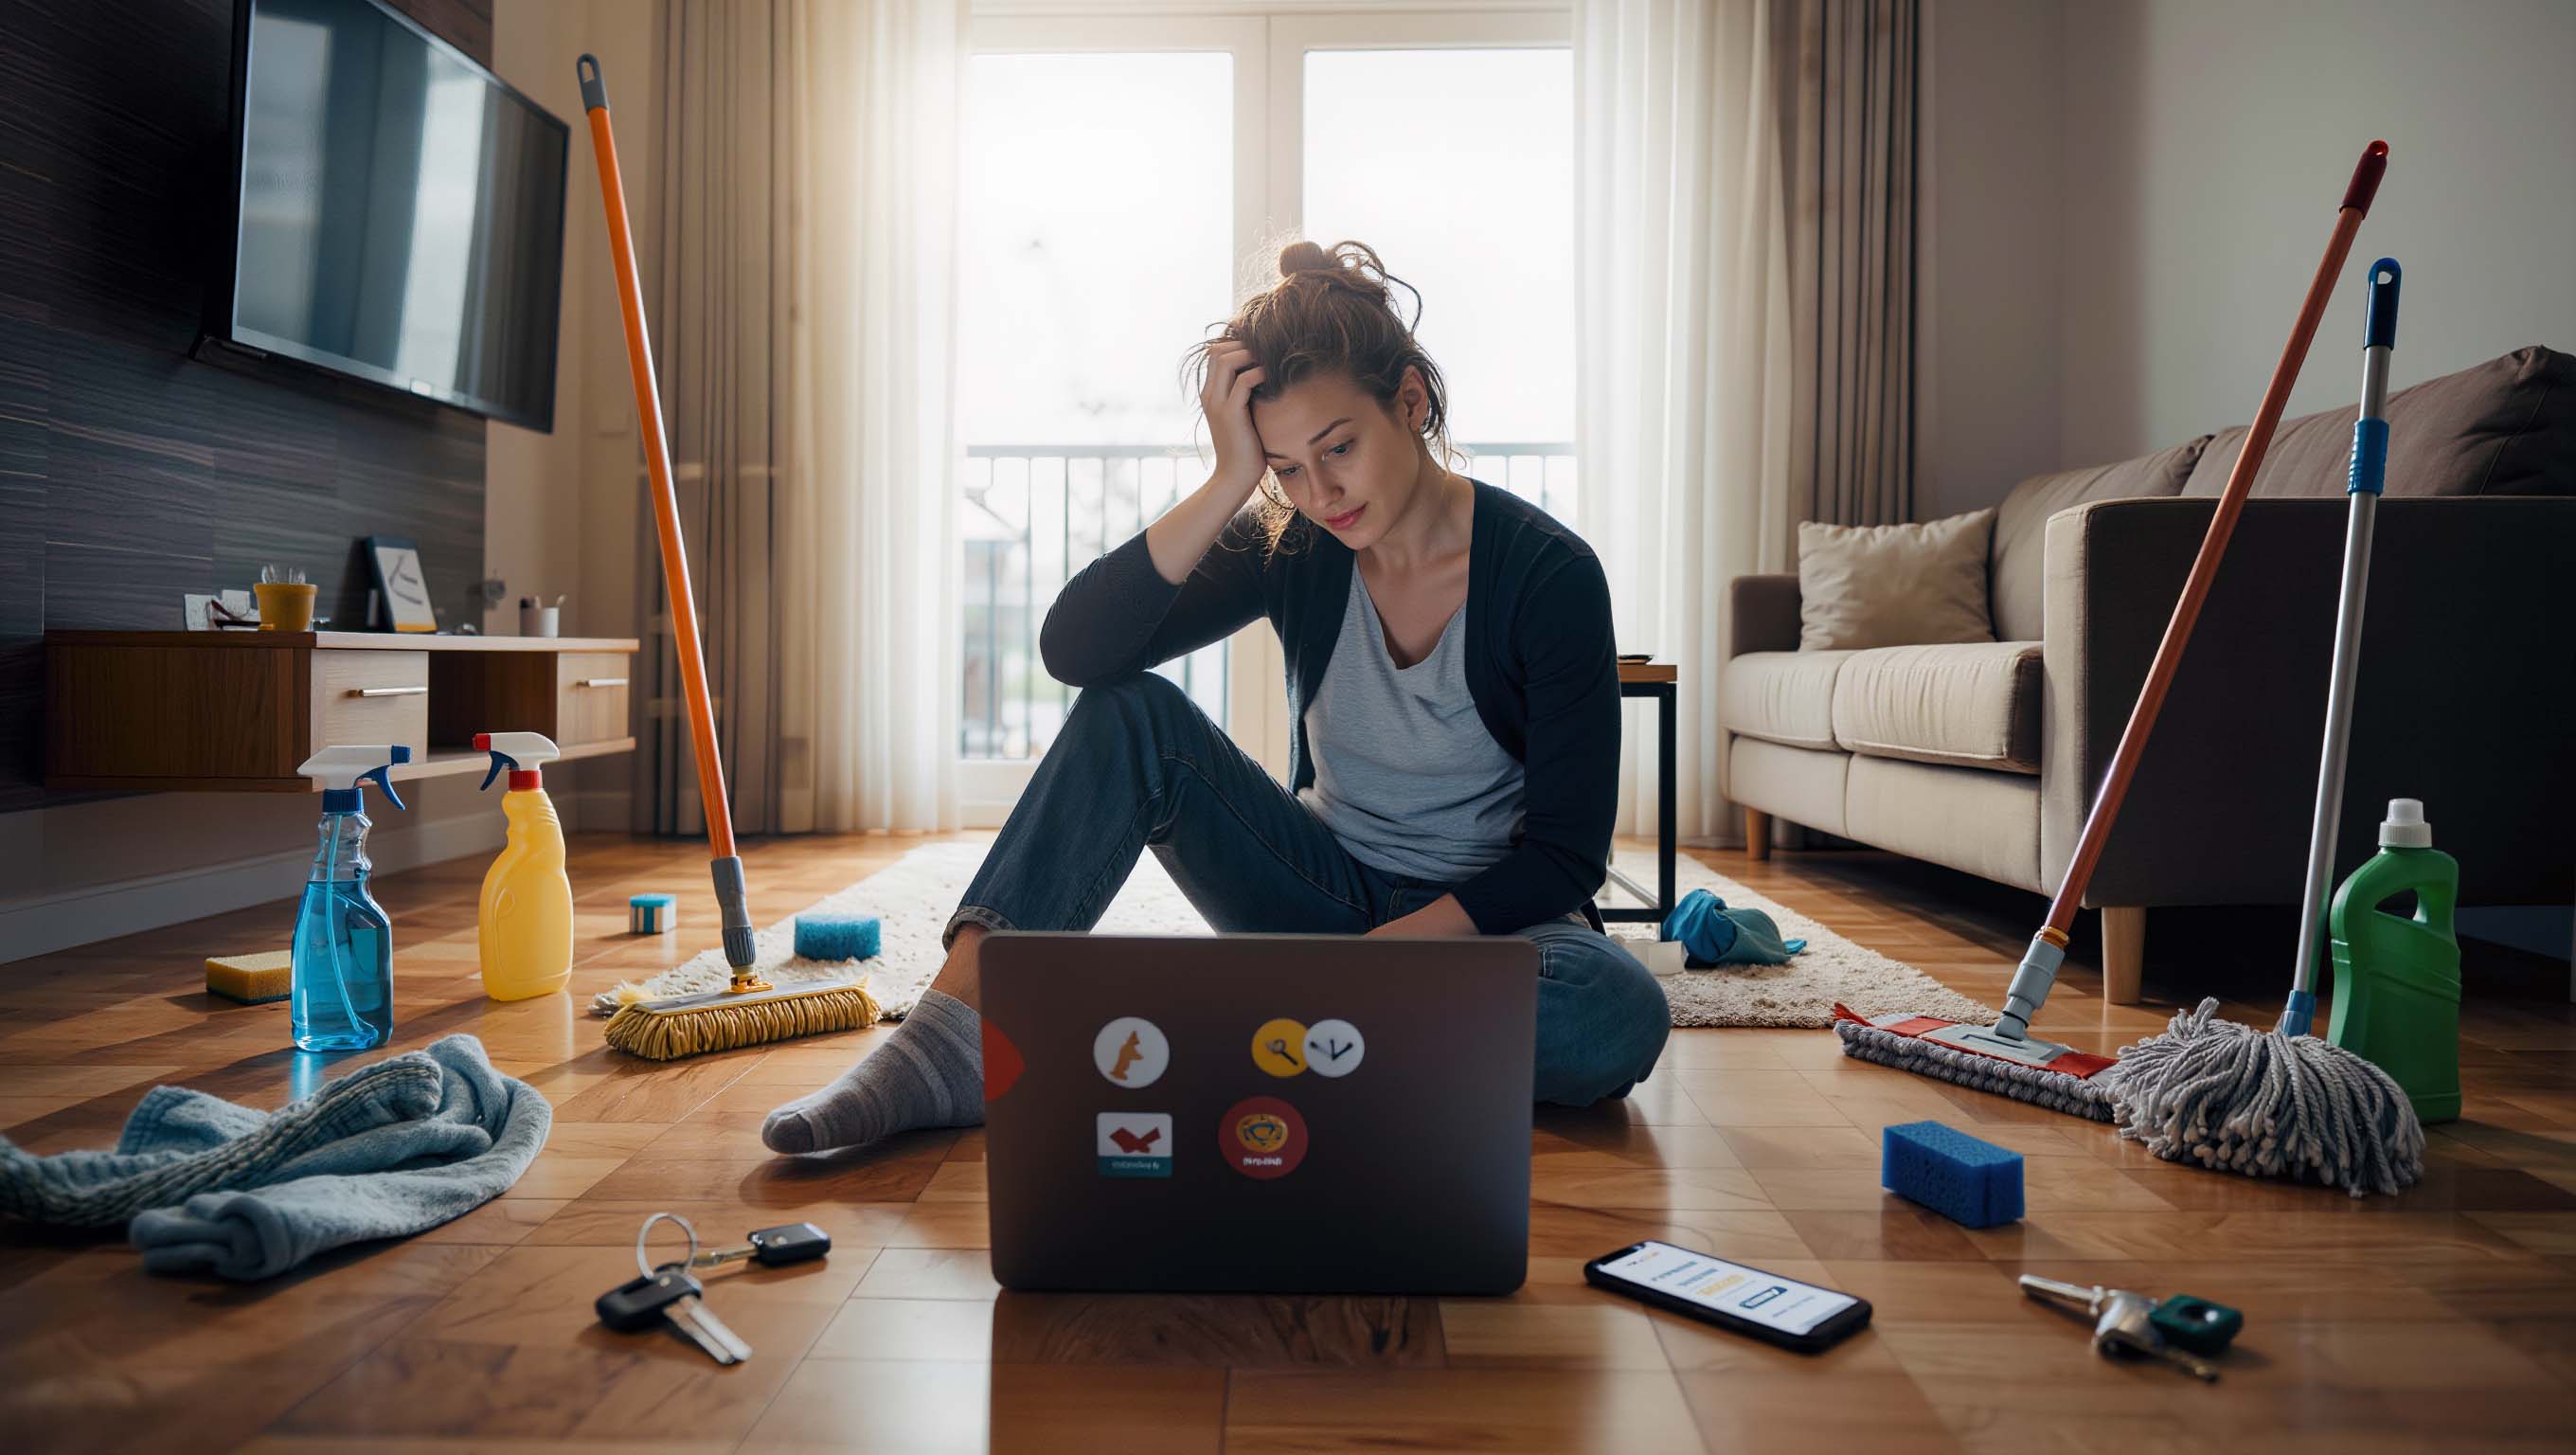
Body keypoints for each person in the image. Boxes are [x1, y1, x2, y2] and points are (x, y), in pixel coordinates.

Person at [762, 239, 1668, 1156]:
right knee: (1132, 716)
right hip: (1322, 894)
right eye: (1286, 467)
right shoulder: (1294, 541)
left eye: (1338, 448)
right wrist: (1230, 479)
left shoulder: (1547, 573)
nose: (1321, 492)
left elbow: (1564, 857)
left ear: (1410, 402)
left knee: (1616, 1012)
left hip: (1489, 931)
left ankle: (1258, 1033)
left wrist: (1376, 968)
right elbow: (1076, 652)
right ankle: (952, 1042)